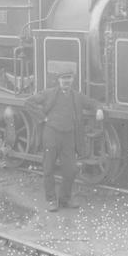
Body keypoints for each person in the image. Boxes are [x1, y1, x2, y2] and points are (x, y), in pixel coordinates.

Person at [26, 70, 104, 212]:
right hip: (51, 135)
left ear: (72, 80)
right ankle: (51, 200)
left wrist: (99, 109)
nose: (66, 81)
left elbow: (92, 102)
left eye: (68, 78)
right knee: (48, 168)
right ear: (58, 80)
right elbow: (29, 102)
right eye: (63, 78)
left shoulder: (76, 96)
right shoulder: (49, 93)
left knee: (71, 170)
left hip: (68, 136)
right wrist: (43, 118)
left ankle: (65, 199)